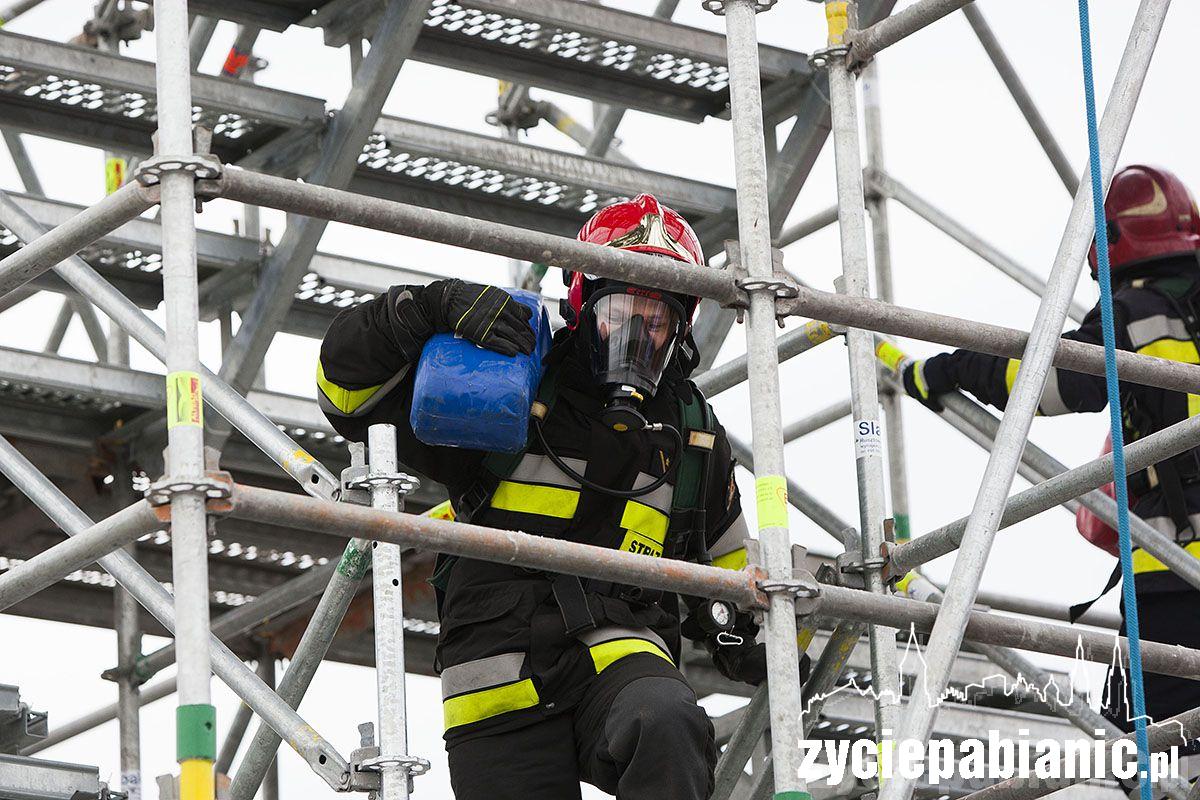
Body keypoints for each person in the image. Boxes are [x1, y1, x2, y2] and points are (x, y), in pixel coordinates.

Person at [317, 194, 806, 799]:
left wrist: (759, 640)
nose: (637, 334)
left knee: (666, 722)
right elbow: (345, 396)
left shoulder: (691, 434)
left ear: (681, 326)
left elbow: (730, 569)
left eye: (656, 320)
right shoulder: (507, 383)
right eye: (621, 311)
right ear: (581, 302)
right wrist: (425, 309)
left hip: (620, 654)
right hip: (498, 674)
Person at [898, 165, 1200, 740]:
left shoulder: (1136, 311)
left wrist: (948, 369)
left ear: (1110, 243)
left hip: (1177, 574)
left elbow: (1048, 380)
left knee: (1159, 746)